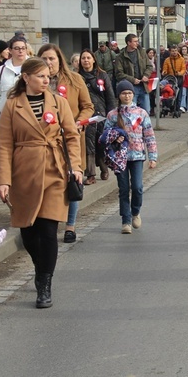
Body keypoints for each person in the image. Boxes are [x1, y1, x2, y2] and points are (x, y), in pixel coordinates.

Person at [0, 58, 82, 309]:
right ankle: (40, 265)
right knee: (29, 234)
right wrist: (3, 180)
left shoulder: (58, 102)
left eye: (48, 77)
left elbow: (72, 137)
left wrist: (75, 166)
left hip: (55, 170)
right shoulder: (12, 106)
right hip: (24, 174)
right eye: (41, 77)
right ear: (26, 78)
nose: (46, 81)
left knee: (48, 231)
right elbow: (3, 145)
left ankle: (44, 283)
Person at [38, 44, 94, 243]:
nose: (48, 63)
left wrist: (79, 122)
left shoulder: (75, 80)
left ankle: (70, 225)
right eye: (44, 58)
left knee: (73, 182)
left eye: (52, 58)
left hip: (70, 139)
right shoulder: (36, 83)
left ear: (59, 60)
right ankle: (49, 222)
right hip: (45, 142)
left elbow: (88, 107)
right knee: (50, 182)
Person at [100, 80, 157, 234]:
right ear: (119, 95)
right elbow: (105, 136)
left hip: (137, 155)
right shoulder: (113, 114)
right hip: (120, 157)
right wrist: (115, 138)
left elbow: (149, 135)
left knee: (137, 187)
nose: (127, 96)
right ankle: (125, 221)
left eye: (129, 93)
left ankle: (135, 212)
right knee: (124, 189)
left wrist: (153, 156)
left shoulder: (141, 113)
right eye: (124, 93)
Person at [78, 49, 116, 184]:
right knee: (88, 144)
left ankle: (104, 168)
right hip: (85, 115)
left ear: (94, 60)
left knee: (100, 143)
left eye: (88, 58)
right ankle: (90, 174)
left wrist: (111, 116)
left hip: (101, 114)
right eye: (83, 58)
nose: (86, 60)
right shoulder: (77, 76)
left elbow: (110, 97)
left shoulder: (102, 76)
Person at [0, 36, 30, 159]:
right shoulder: (1, 70)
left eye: (23, 48)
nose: (20, 51)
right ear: (10, 50)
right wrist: (0, 106)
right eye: (17, 48)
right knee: (7, 150)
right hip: (7, 117)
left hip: (29, 117)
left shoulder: (34, 68)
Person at [115, 34, 153, 113]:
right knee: (131, 111)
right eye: (135, 41)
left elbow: (149, 66)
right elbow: (119, 74)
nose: (137, 43)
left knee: (146, 111)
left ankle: (145, 125)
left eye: (137, 41)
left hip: (143, 86)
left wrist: (146, 75)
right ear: (129, 43)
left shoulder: (142, 52)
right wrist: (132, 80)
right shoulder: (120, 56)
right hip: (130, 88)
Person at [161, 45, 186, 114]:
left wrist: (180, 73)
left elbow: (183, 69)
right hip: (170, 79)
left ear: (177, 51)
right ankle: (170, 108)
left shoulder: (182, 59)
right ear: (170, 52)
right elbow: (165, 69)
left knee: (178, 95)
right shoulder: (167, 60)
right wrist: (164, 72)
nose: (174, 52)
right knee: (170, 94)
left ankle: (177, 109)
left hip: (179, 78)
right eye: (173, 51)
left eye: (175, 51)